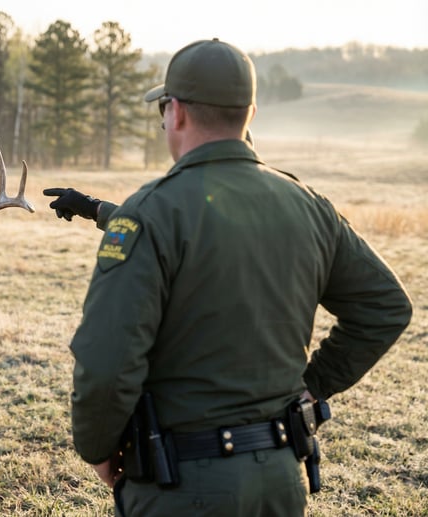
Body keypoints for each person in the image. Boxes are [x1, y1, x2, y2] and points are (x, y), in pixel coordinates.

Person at [44, 39, 412, 516]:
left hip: (181, 482)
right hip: (281, 478)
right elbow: (385, 307)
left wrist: (97, 448)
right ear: (250, 113)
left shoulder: (152, 211)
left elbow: (108, 360)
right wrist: (314, 384)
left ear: (174, 113)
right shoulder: (309, 206)